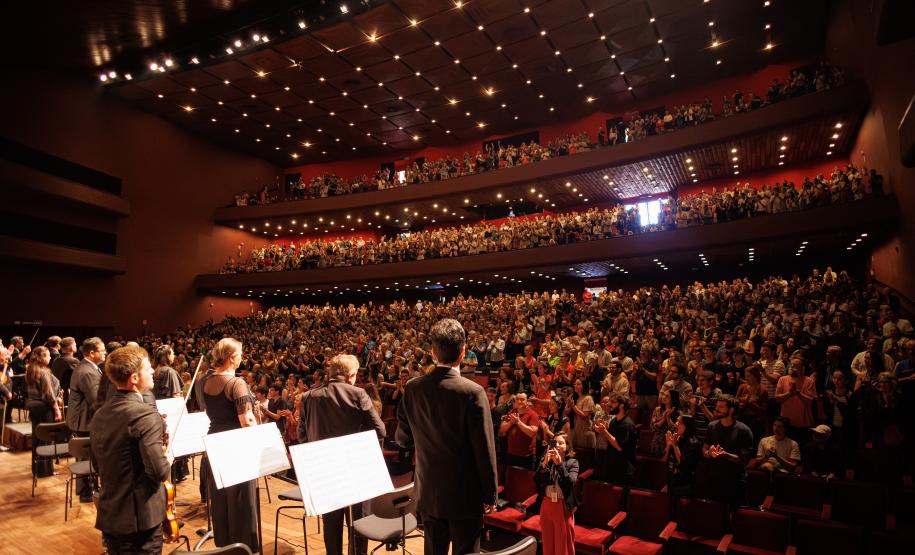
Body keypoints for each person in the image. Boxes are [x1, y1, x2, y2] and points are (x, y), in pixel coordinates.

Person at [396, 318, 498, 555]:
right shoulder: (473, 392)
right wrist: (490, 493)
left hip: (429, 491)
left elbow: (403, 439)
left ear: (433, 353)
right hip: (465, 496)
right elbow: (484, 449)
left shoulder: (412, 387)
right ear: (463, 353)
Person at [297, 354, 386, 555]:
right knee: (358, 520)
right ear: (350, 375)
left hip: (323, 469)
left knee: (331, 523)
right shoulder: (358, 394)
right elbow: (380, 430)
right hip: (354, 466)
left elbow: (302, 435)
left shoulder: (308, 396)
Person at [90, 345, 171, 555]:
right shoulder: (145, 415)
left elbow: (98, 464)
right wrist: (166, 457)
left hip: (111, 516)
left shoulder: (100, 413)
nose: (153, 370)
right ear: (134, 378)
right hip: (140, 520)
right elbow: (158, 472)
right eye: (147, 368)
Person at [196, 338, 259, 551]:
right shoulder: (236, 383)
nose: (242, 358)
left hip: (215, 441)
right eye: (240, 354)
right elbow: (247, 421)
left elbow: (208, 411)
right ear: (232, 358)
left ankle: (224, 542)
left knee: (221, 494)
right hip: (236, 444)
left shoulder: (204, 381)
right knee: (241, 496)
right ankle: (243, 547)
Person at [67, 337, 106, 502]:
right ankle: (85, 493)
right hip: (84, 421)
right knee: (85, 457)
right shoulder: (87, 371)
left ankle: (88, 489)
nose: (104, 353)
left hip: (84, 419)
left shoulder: (88, 367)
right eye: (102, 350)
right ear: (92, 353)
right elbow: (96, 399)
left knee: (87, 457)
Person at [703, 395, 754, 507]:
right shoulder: (712, 426)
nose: (717, 409)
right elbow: (704, 448)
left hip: (734, 482)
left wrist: (725, 455)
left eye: (721, 407)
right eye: (717, 406)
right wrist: (709, 453)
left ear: (731, 410)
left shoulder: (743, 430)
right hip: (714, 479)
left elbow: (743, 459)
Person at [534, 433, 579, 555]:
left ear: (567, 446)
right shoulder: (546, 459)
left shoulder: (572, 463)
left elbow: (570, 483)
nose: (558, 445)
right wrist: (545, 463)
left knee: (562, 544)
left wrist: (559, 464)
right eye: (555, 443)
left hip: (563, 506)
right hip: (547, 505)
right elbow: (537, 480)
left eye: (561, 443)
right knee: (548, 543)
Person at [593, 392, 636, 485]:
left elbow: (619, 447)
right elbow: (609, 441)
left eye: (613, 402)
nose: (609, 404)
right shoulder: (614, 421)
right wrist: (601, 430)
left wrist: (604, 431)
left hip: (623, 470)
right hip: (612, 466)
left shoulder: (627, 425)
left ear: (621, 406)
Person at [499, 391, 540, 469]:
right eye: (517, 399)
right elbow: (502, 429)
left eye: (522, 399)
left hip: (526, 456)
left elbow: (531, 433)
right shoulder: (512, 412)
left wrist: (518, 422)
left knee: (524, 480)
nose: (519, 401)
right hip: (511, 454)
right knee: (511, 478)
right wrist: (511, 423)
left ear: (527, 401)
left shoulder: (533, 414)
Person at [664, 414, 699, 498]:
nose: (676, 424)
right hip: (671, 481)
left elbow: (684, 465)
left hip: (684, 486)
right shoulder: (676, 439)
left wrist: (675, 445)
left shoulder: (693, 443)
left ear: (687, 426)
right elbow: (664, 459)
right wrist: (668, 445)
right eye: (676, 421)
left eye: (679, 422)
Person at [50, 337, 79, 404]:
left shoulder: (56, 360)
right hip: (67, 395)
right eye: (75, 345)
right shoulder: (73, 361)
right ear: (71, 347)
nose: (76, 346)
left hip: (56, 393)